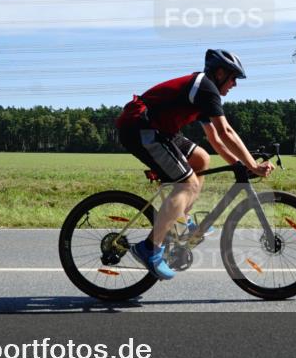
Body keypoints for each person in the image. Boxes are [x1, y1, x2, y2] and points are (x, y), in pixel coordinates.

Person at [115, 49, 274, 280]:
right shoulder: (206, 88)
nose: (234, 85)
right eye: (233, 78)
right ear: (220, 73)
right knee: (187, 184)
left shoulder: (200, 90)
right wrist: (252, 165)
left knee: (201, 158)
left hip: (161, 130)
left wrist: (238, 165)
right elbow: (226, 131)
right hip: (141, 127)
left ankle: (181, 219)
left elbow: (215, 139)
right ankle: (149, 248)